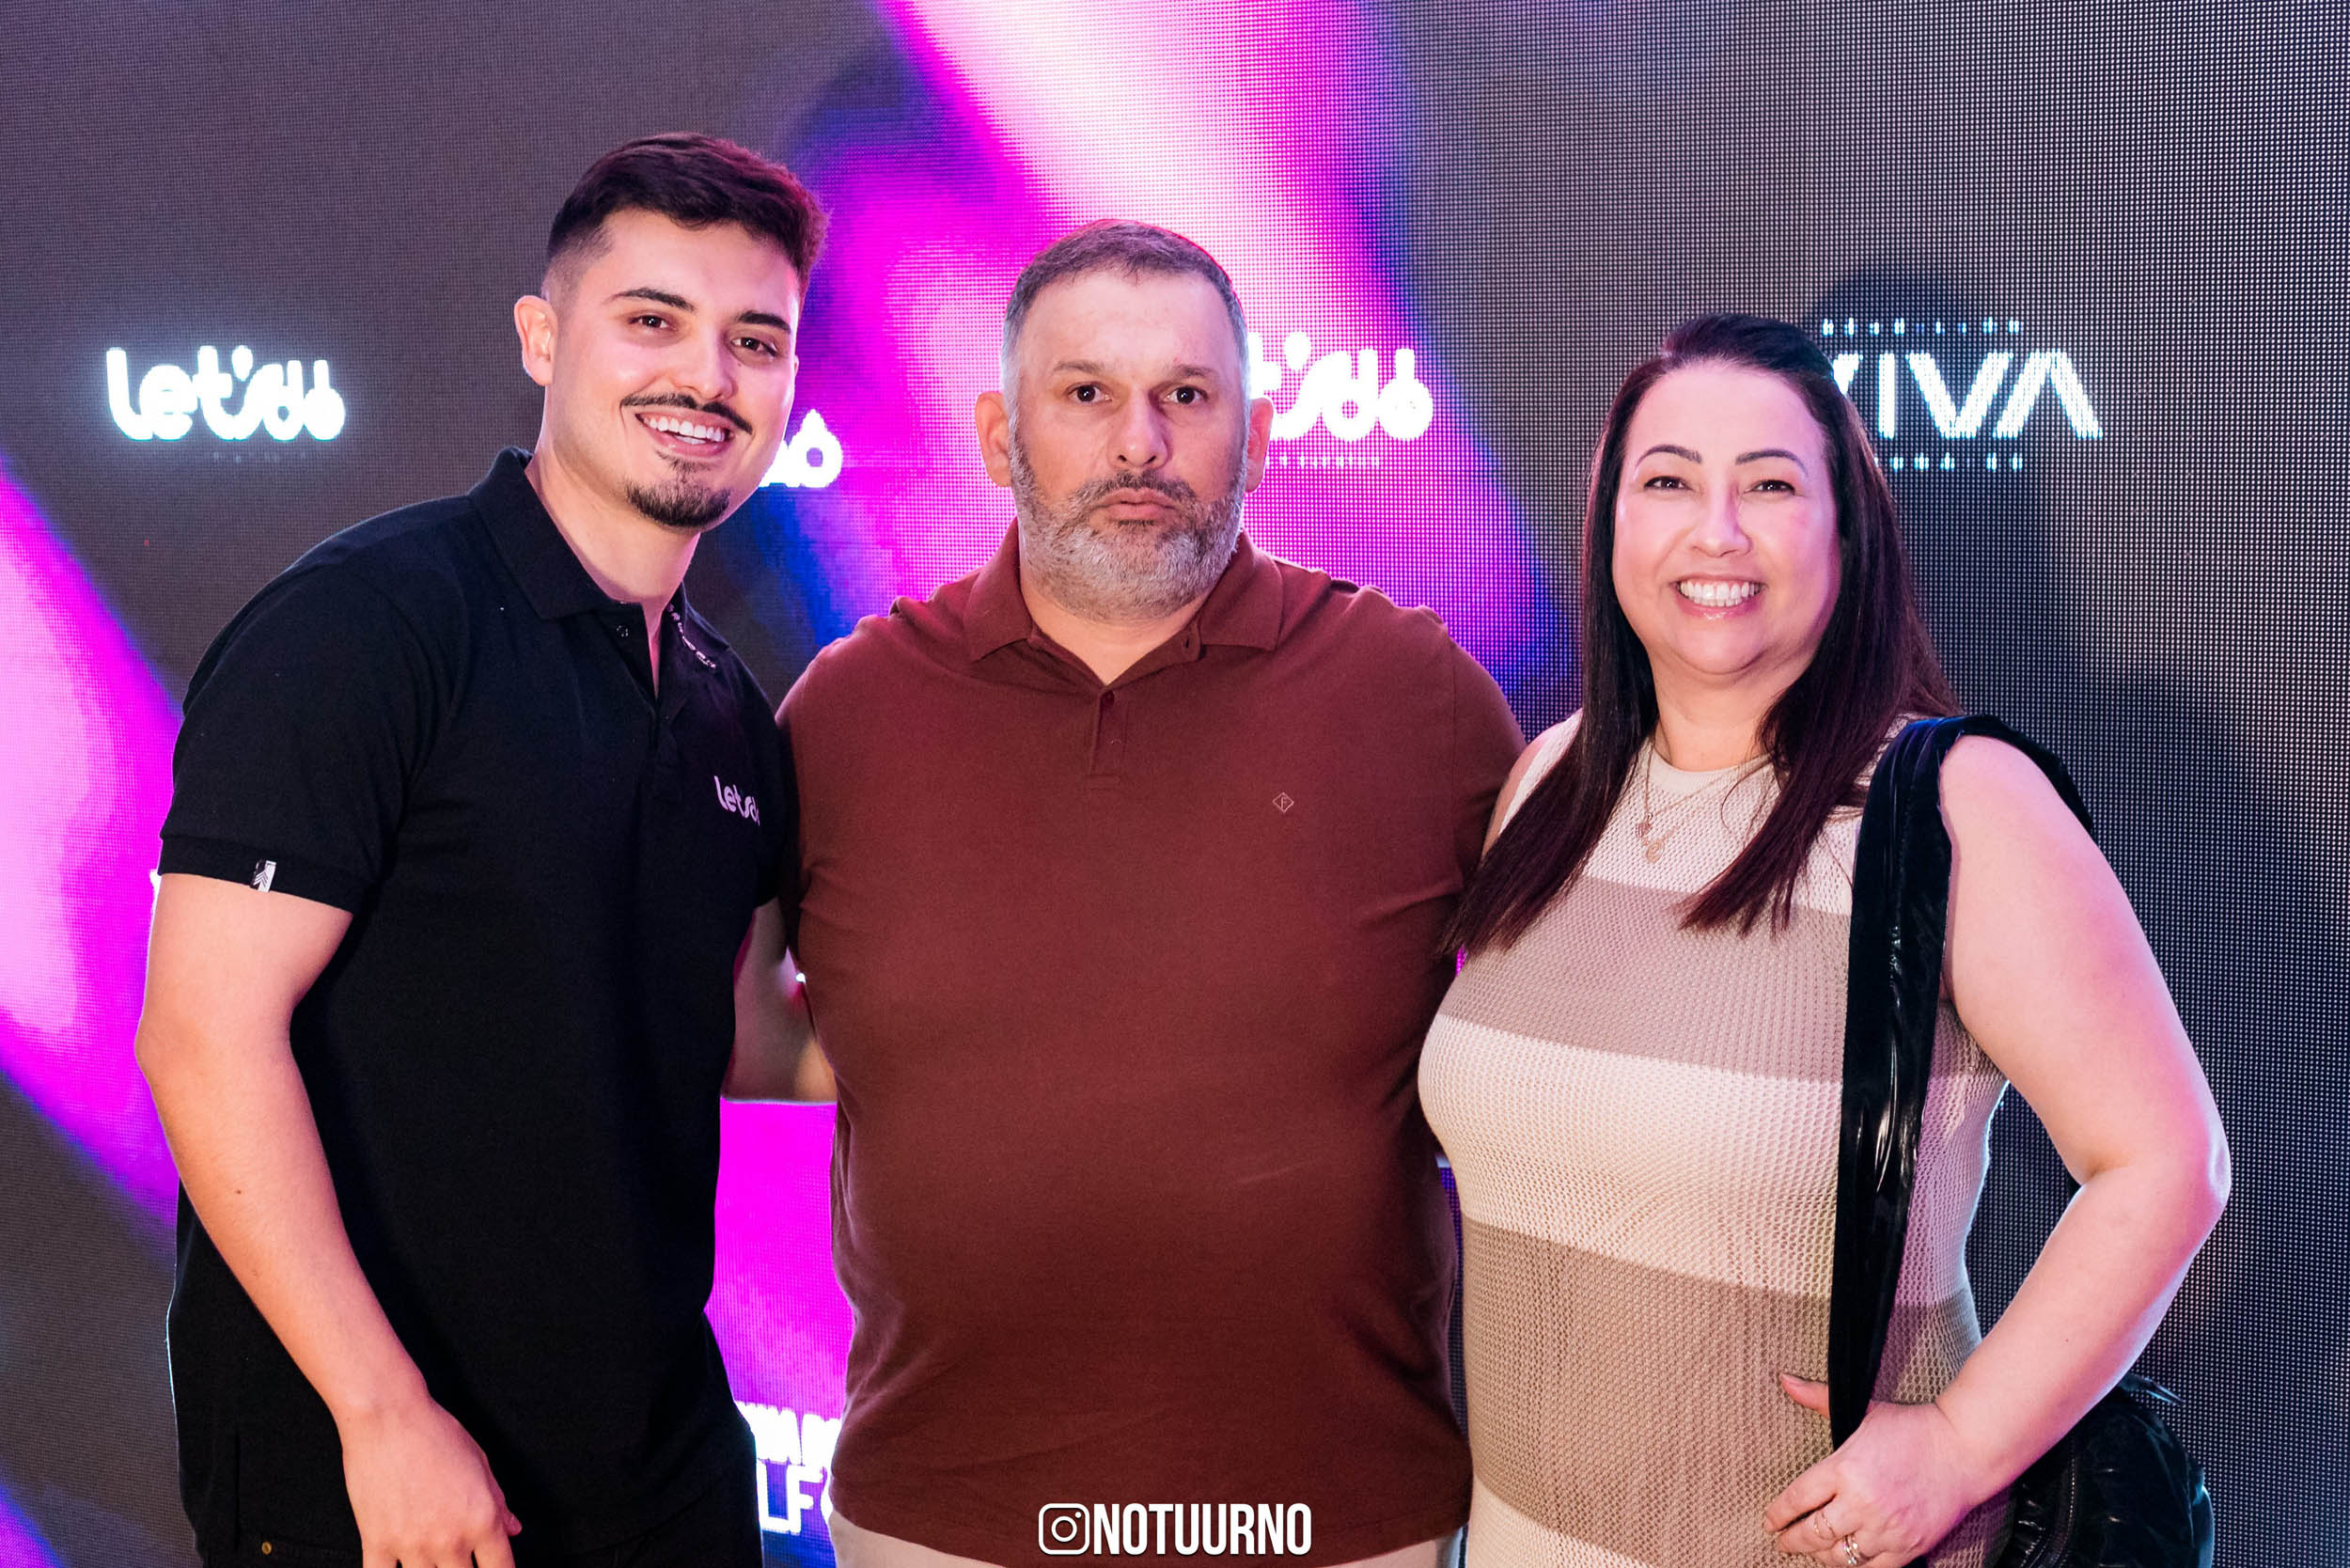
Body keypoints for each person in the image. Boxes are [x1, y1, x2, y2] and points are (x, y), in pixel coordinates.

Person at [729, 220, 1523, 1567]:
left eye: (1186, 396)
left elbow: (1582, 1046)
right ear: (1000, 437)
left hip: (1335, 1523)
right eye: (1087, 392)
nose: (1139, 443)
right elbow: (726, 1029)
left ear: (1255, 438)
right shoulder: (846, 715)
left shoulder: (1417, 695)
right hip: (938, 1520)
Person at [1418, 313, 2229, 1568]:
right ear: (1611, 524)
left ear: (1846, 531)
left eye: (1771, 486)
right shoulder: (1547, 784)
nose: (1716, 531)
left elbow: (2167, 1163)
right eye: (1668, 482)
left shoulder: (1955, 805)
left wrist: (1960, 1445)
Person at [134, 133, 824, 1568]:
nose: (707, 377)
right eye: (653, 321)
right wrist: (382, 1415)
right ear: (542, 338)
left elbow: (744, 1043)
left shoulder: (726, 711)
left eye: (754, 340)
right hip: (378, 1469)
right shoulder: (366, 626)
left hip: (661, 1462)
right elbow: (202, 1036)